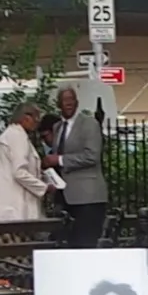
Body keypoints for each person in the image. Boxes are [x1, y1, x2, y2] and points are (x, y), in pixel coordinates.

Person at [45, 84, 109, 246]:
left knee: (85, 243)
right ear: (58, 104)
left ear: (77, 102)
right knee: (70, 243)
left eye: (71, 99)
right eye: (65, 100)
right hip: (65, 196)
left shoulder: (89, 124)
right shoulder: (57, 127)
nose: (68, 103)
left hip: (88, 196)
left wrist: (60, 160)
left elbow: (92, 156)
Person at [0, 104, 51, 222]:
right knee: (17, 239)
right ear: (26, 118)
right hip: (15, 208)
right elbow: (19, 172)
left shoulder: (9, 135)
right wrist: (44, 187)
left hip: (6, 206)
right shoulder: (18, 136)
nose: (37, 123)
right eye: (36, 118)